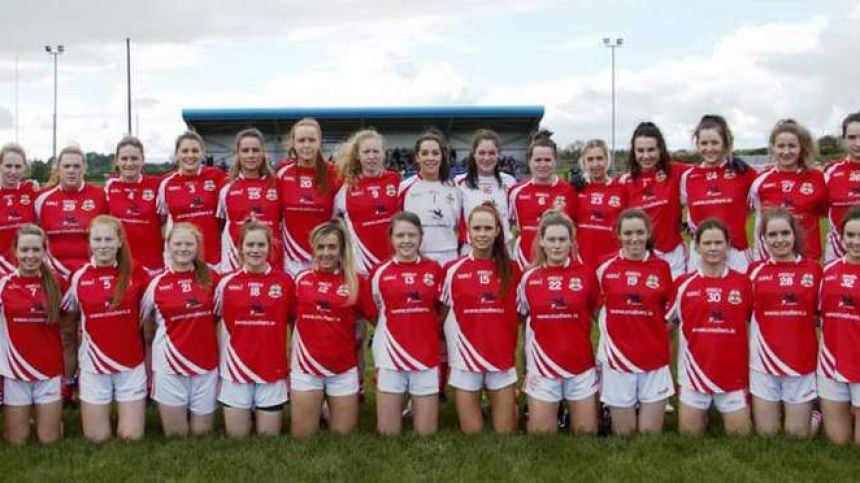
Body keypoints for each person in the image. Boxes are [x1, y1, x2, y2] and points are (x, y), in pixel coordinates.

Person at [62, 215, 148, 442]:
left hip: (130, 365)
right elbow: (69, 316)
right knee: (96, 439)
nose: (103, 245)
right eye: (97, 239)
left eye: (108, 239)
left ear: (120, 241)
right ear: (89, 243)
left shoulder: (136, 272)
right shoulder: (79, 277)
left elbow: (149, 311)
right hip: (93, 366)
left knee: (131, 438)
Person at [290, 219, 376, 439]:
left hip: (343, 369)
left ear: (341, 250)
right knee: (303, 438)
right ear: (312, 249)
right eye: (321, 247)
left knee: (343, 438)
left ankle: (327, 407)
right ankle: (317, 405)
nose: (326, 253)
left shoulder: (356, 282)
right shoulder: (299, 280)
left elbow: (377, 320)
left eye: (332, 247)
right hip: (307, 369)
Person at [668, 218, 753, 436]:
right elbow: (665, 324)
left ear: (728, 245)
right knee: (689, 436)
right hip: (693, 375)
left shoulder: (744, 283)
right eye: (707, 243)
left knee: (740, 437)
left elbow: (756, 324)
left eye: (718, 243)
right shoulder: (682, 284)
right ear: (696, 246)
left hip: (732, 375)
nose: (713, 248)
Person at [442, 203, 521, 434]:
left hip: (500, 359)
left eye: (488, 228)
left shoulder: (514, 270)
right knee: (472, 433)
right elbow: (442, 314)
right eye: (477, 228)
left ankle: (511, 401)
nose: (482, 234)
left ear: (498, 231)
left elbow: (522, 313)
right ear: (468, 231)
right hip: (465, 362)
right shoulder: (452, 270)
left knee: (505, 432)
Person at [519, 211, 600, 435]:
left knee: (586, 433)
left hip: (580, 366)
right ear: (542, 242)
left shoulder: (586, 274)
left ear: (572, 242)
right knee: (542, 435)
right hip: (543, 368)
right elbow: (520, 323)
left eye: (562, 240)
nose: (557, 245)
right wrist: (525, 368)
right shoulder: (529, 278)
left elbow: (601, 318)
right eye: (551, 240)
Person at [595, 209, 675, 435]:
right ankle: (607, 412)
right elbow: (595, 305)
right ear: (618, 235)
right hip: (618, 360)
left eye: (640, 232)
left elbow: (669, 310)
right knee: (625, 435)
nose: (634, 239)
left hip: (654, 359)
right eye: (628, 233)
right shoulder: (604, 266)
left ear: (649, 233)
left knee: (649, 436)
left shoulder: (662, 267)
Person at [214, 221, 295, 438]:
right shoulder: (225, 283)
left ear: (270, 248)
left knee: (268, 437)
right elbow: (211, 320)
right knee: (237, 437)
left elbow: (295, 323)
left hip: (272, 368)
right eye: (250, 244)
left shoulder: (286, 282)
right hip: (235, 370)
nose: (255, 250)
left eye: (261, 244)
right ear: (240, 247)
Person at [141, 223, 219, 437]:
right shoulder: (156, 283)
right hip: (169, 365)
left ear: (197, 247)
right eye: (178, 243)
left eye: (189, 243)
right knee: (177, 436)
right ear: (168, 245)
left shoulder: (213, 278)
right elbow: (142, 319)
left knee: (202, 433)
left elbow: (222, 314)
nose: (183, 248)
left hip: (205, 364)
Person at [748, 208, 820, 437]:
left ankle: (816, 413)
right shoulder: (755, 271)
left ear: (794, 234)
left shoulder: (813, 270)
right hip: (763, 363)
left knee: (797, 436)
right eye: (772, 235)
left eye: (785, 233)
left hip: (800, 362)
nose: (779, 240)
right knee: (767, 434)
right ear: (764, 239)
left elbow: (820, 316)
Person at [370, 211, 443, 436]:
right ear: (391, 238)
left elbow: (441, 310)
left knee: (426, 433)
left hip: (426, 357)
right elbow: (374, 313)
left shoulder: (435, 270)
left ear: (421, 236)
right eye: (400, 235)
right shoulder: (379, 272)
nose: (406, 241)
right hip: (390, 356)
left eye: (412, 235)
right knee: (387, 433)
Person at [0, 224, 65, 445]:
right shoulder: (4, 285)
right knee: (17, 442)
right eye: (24, 250)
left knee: (49, 440)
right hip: (15, 373)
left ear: (44, 251)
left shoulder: (58, 282)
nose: (30, 255)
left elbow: (69, 324)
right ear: (15, 251)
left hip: (48, 372)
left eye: (36, 250)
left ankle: (52, 421)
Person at [681, 115, 757, 273]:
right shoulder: (688, 177)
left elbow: (756, 204)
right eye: (704, 143)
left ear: (725, 143)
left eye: (714, 142)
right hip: (700, 254)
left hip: (736, 253)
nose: (709, 148)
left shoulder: (743, 172)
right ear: (697, 144)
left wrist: (738, 217)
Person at [618, 122, 691, 278]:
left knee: (675, 302)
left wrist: (731, 162)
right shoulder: (625, 181)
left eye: (651, 150)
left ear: (660, 149)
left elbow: (707, 171)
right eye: (640, 150)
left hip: (673, 256)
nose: (646, 156)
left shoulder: (676, 172)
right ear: (633, 152)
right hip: (639, 256)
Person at [750, 119, 827, 261]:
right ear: (773, 147)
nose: (786, 151)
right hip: (769, 258)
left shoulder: (819, 178)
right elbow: (751, 216)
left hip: (807, 258)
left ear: (801, 148)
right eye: (781, 146)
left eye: (792, 146)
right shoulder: (760, 180)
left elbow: (827, 214)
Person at [277, 118, 342, 276]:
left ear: (320, 142)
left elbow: (340, 218)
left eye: (312, 140)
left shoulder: (335, 174)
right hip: (291, 260)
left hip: (325, 257)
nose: (306, 145)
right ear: (294, 143)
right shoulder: (282, 174)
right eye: (301, 140)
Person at [818, 206, 860, 445]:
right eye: (850, 235)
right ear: (841, 237)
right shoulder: (827, 273)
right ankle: (814, 414)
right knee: (838, 442)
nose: (855, 242)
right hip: (831, 364)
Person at [334, 129, 401, 275]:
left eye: (376, 151)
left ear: (383, 153)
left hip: (394, 262)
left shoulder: (396, 180)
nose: (372, 156)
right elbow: (331, 219)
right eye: (366, 152)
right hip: (361, 267)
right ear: (358, 155)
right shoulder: (346, 186)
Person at [35, 145, 107, 278]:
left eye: (76, 166)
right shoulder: (41, 198)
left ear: (85, 168)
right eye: (66, 166)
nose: (71, 171)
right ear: (58, 169)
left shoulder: (101, 196)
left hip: (90, 271)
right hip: (53, 273)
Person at [157, 131, 227, 270]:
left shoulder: (217, 177)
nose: (190, 155)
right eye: (185, 151)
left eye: (195, 151)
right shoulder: (166, 183)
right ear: (177, 154)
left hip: (213, 259)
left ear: (202, 153)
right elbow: (162, 223)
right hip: (181, 259)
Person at [217, 128, 283, 273]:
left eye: (255, 150)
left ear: (263, 153)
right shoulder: (226, 187)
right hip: (235, 262)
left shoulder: (277, 185)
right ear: (238, 154)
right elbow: (219, 225)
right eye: (245, 150)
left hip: (271, 261)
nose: (251, 155)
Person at [509, 130, 577, 269]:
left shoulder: (569, 190)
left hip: (558, 258)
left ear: (555, 161)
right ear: (529, 162)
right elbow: (508, 224)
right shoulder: (516, 191)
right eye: (538, 160)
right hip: (525, 258)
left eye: (547, 160)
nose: (542, 164)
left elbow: (575, 226)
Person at [399, 130, 462, 265]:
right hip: (418, 256)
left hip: (449, 255)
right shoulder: (405, 188)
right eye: (425, 153)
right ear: (417, 157)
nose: (430, 158)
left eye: (435, 153)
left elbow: (459, 225)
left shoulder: (454, 187)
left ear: (442, 156)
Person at [105, 136, 164, 275]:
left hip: (153, 266)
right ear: (117, 161)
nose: (129, 163)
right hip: (121, 266)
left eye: (134, 158)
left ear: (143, 160)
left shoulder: (157, 185)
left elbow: (165, 221)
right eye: (124, 159)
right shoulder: (110, 186)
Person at [454, 129, 517, 254]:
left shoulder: (510, 182)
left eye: (492, 153)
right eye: (481, 153)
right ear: (474, 154)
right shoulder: (459, 183)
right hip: (471, 250)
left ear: (498, 155)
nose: (486, 158)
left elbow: (513, 220)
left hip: (502, 251)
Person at [571, 139, 627, 267]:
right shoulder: (576, 189)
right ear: (584, 162)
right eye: (590, 159)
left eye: (599, 158)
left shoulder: (621, 189)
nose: (595, 164)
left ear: (607, 160)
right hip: (581, 259)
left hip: (612, 261)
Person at [823, 112, 860, 263]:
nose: (858, 143)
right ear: (843, 140)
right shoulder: (830, 172)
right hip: (837, 250)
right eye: (852, 137)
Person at [0, 143, 38, 276]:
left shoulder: (31, 190)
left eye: (18, 166)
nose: (13, 171)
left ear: (24, 168)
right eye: (8, 166)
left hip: (29, 265)